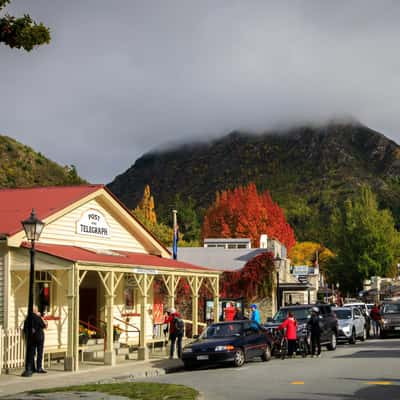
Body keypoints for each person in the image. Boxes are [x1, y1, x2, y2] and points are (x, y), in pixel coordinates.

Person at [23, 305, 48, 373]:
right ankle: (39, 368)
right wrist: (41, 317)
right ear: (35, 310)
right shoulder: (37, 317)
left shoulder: (27, 318)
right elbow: (44, 325)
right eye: (36, 310)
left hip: (31, 338)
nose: (37, 311)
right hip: (39, 337)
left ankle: (32, 368)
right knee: (39, 353)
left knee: (32, 353)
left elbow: (25, 329)